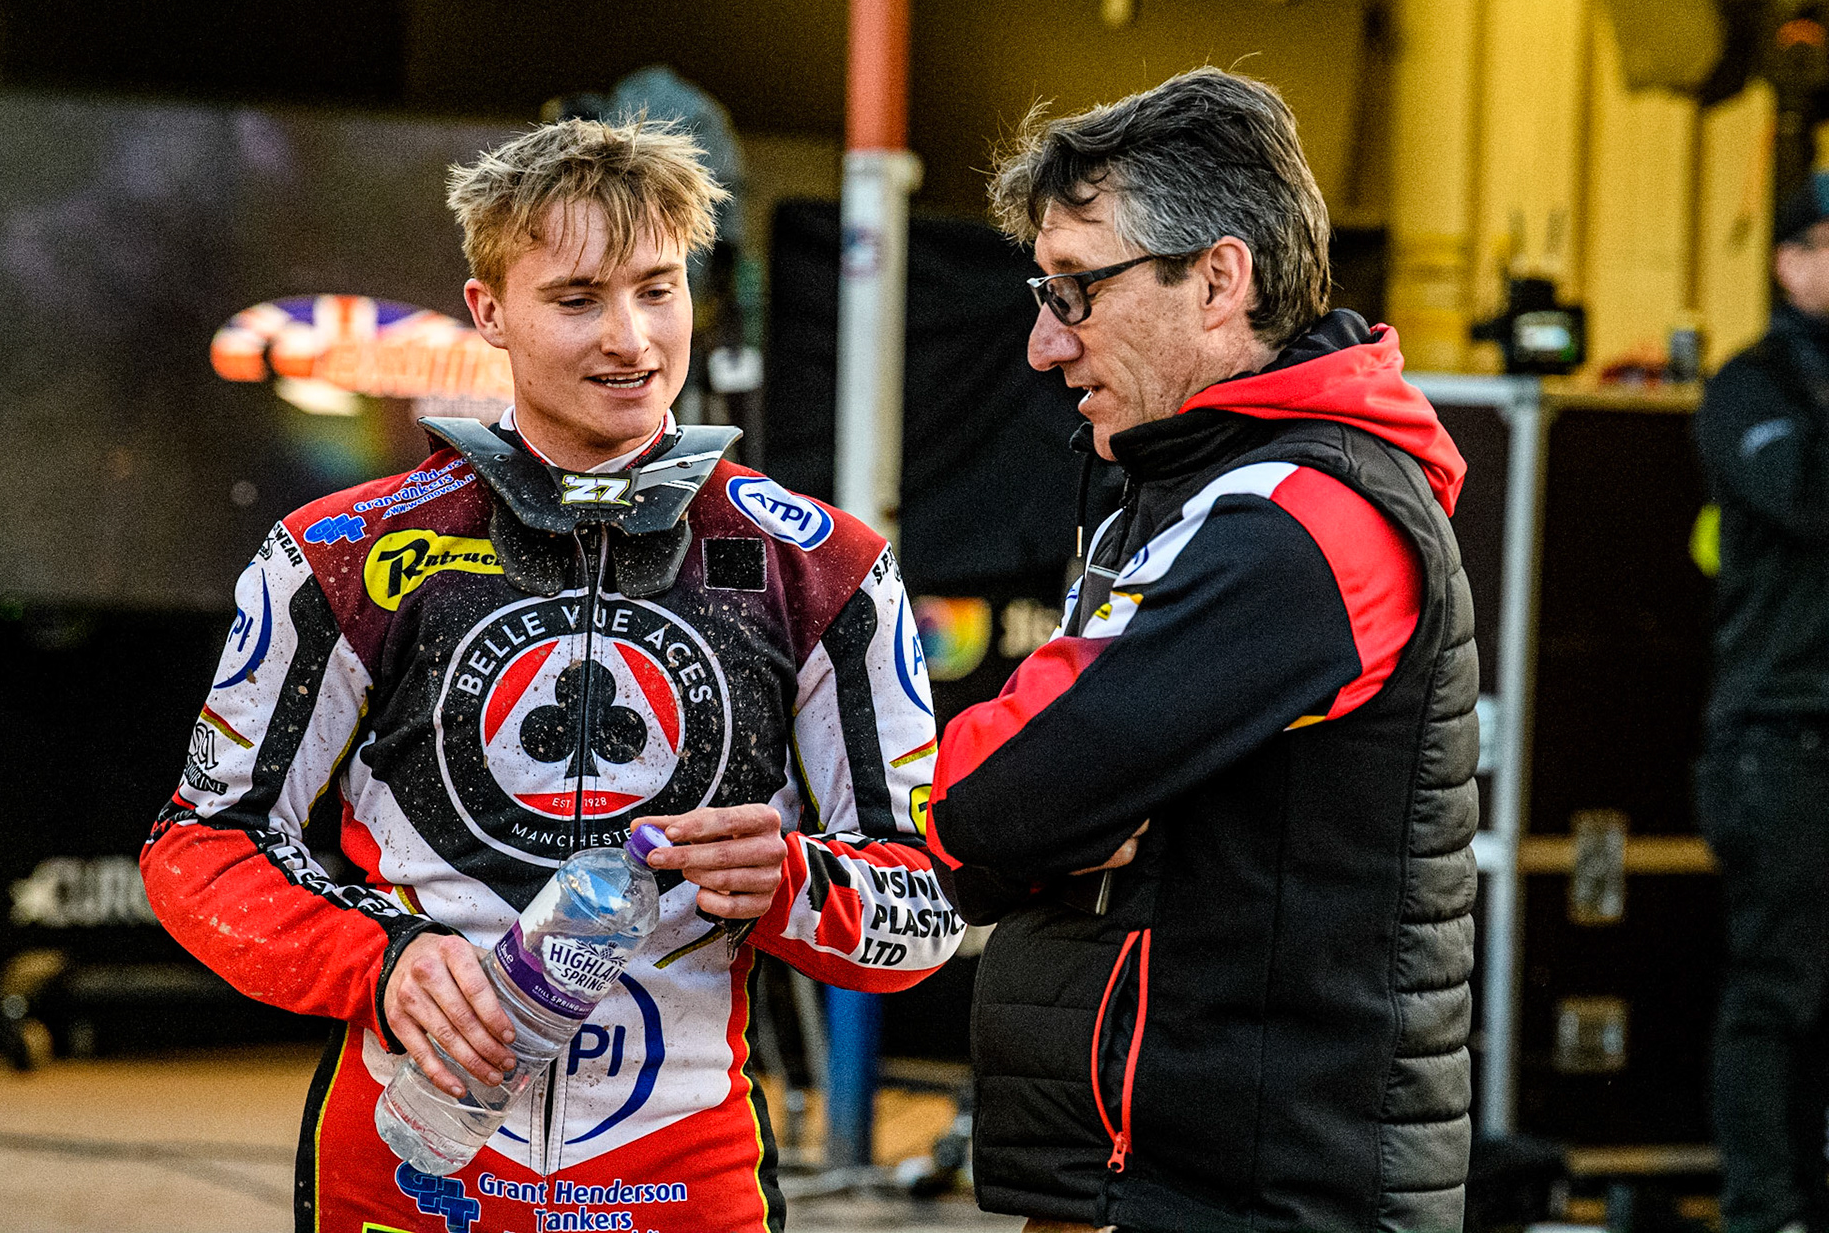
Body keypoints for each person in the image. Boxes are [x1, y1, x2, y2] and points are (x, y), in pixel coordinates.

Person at [140, 117, 962, 1233]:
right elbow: (200, 846)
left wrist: (798, 883)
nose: (630, 338)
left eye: (658, 289)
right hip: (411, 1155)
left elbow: (928, 907)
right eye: (578, 298)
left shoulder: (828, 567)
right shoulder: (340, 553)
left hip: (681, 1167)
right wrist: (380, 961)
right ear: (490, 313)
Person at [921, 68, 1479, 1233]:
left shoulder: (1306, 517)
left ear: (1220, 279)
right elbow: (1038, 794)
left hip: (1244, 1194)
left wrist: (1046, 804)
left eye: (1076, 290)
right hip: (1144, 1172)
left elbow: (993, 798)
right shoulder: (1205, 484)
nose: (1041, 344)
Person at [1694, 171, 1829, 1233]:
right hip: (1782, 737)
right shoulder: (1753, 386)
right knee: (1780, 986)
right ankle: (1765, 1211)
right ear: (1788, 260)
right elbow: (1808, 497)